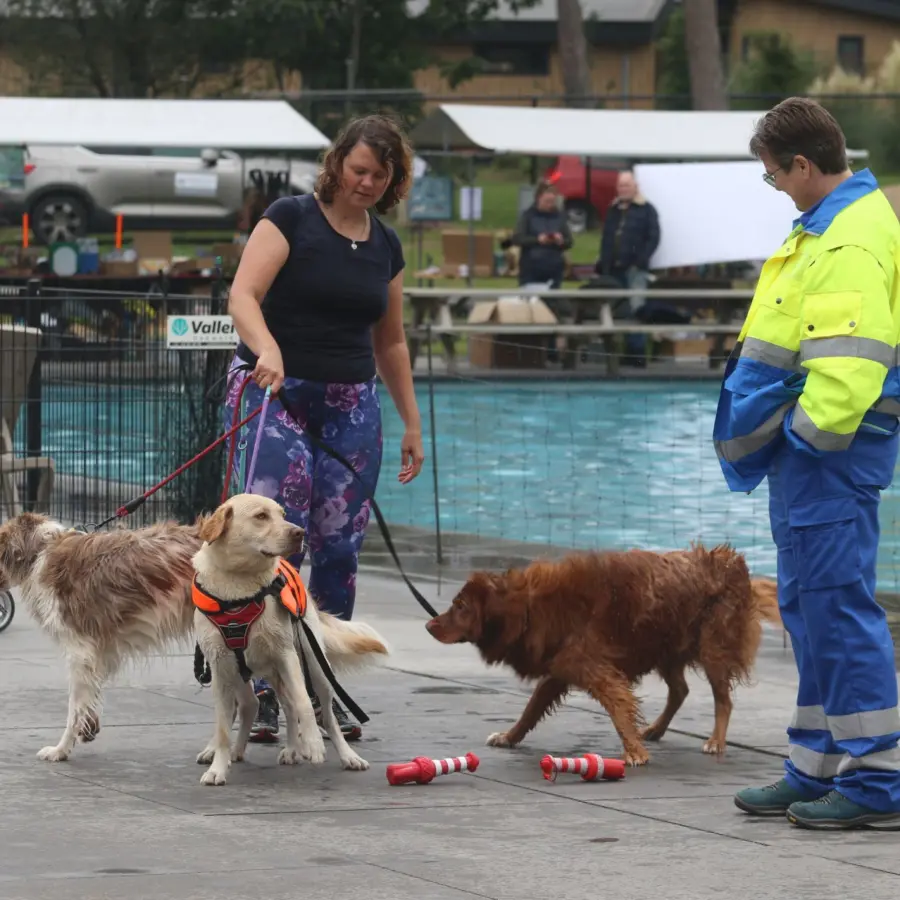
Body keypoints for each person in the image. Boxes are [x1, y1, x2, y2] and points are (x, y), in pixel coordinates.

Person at [713, 96, 900, 829]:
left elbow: (851, 367)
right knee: (809, 607)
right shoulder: (830, 227)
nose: (777, 189)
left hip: (828, 454)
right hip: (811, 458)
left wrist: (800, 437)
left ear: (802, 163)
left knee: (836, 608)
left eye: (774, 176)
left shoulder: (850, 238)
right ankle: (817, 765)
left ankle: (879, 783)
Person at [223, 113, 426, 744]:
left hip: (350, 400)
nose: (366, 183)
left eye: (379, 175)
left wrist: (411, 422)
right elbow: (243, 297)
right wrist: (267, 349)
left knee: (340, 547)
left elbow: (390, 341)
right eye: (358, 169)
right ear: (337, 163)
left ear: (393, 180)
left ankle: (318, 679)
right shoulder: (289, 217)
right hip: (273, 389)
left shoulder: (387, 245)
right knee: (278, 538)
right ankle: (260, 681)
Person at [595, 170, 661, 366]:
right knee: (618, 310)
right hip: (613, 269)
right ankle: (624, 352)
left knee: (636, 308)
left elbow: (653, 238)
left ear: (635, 187)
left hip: (635, 270)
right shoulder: (613, 210)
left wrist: (640, 261)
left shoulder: (647, 210)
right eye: (621, 186)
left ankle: (638, 353)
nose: (623, 189)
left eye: (627, 185)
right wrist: (602, 262)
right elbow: (606, 238)